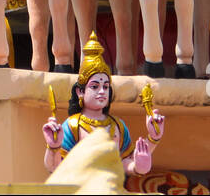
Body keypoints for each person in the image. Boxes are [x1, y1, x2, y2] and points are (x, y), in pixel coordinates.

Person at [41, 33, 164, 176]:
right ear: (80, 91)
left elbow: (124, 162)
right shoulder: (73, 125)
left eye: (105, 87)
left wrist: (148, 148)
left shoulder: (117, 125)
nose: (102, 91)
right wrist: (53, 147)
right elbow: (56, 168)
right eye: (94, 87)